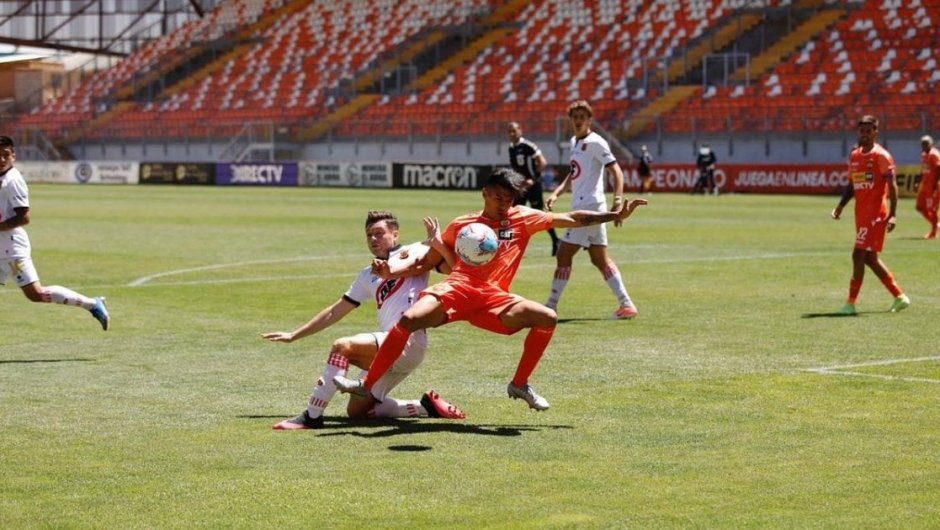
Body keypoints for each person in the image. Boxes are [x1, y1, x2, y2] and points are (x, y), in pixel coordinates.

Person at [333, 168, 647, 411]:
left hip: (494, 299)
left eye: (509, 199)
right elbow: (424, 264)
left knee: (547, 317)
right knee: (409, 320)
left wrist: (614, 214)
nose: (504, 204)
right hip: (457, 288)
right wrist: (390, 270)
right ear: (484, 193)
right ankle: (369, 385)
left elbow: (573, 217)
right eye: (498, 198)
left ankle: (520, 384)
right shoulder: (463, 225)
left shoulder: (523, 218)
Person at [262, 211, 465, 429]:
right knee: (357, 412)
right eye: (369, 235)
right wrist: (295, 335)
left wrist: (439, 245)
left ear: (395, 234)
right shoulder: (367, 274)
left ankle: (311, 417)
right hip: (389, 350)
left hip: (408, 342)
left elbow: (457, 271)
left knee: (343, 347)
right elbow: (335, 311)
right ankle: (426, 406)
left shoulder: (416, 250)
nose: (373, 239)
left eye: (379, 233)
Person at [0, 136, 110, 330]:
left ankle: (93, 304)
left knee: (36, 294)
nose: (1, 159)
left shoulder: (12, 181)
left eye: (5, 155)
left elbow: (24, 217)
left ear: (13, 156)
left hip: (11, 248)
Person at [544, 100, 640, 320]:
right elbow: (573, 173)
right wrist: (557, 193)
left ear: (590, 120)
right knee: (599, 259)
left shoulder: (596, 142)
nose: (578, 121)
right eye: (575, 117)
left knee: (564, 253)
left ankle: (551, 305)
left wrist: (617, 199)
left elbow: (616, 170)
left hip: (589, 206)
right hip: (585, 205)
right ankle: (626, 305)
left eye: (582, 117)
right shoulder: (574, 142)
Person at [831, 115, 910, 315]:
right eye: (862, 131)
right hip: (861, 214)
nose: (865, 134)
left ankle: (850, 304)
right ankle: (899, 296)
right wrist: (840, 206)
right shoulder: (855, 155)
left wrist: (893, 214)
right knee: (870, 259)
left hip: (876, 214)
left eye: (869, 131)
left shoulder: (881, 155)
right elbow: (852, 184)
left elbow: (892, 185)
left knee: (857, 254)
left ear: (876, 132)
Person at [507, 121, 560, 255]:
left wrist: (533, 178)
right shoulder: (511, 148)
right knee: (512, 214)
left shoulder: (528, 146)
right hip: (521, 187)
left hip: (533, 186)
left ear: (520, 130)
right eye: (510, 132)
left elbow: (542, 162)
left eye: (514, 131)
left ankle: (556, 240)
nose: (512, 134)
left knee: (539, 215)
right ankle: (510, 245)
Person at [916, 134, 940, 239]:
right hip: (925, 185)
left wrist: (935, 184)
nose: (924, 146)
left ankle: (933, 232)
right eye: (923, 144)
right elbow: (923, 170)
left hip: (933, 186)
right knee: (919, 207)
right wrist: (918, 182)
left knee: (932, 209)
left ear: (931, 144)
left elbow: (939, 169)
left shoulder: (934, 154)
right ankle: (936, 225)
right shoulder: (924, 155)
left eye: (926, 144)